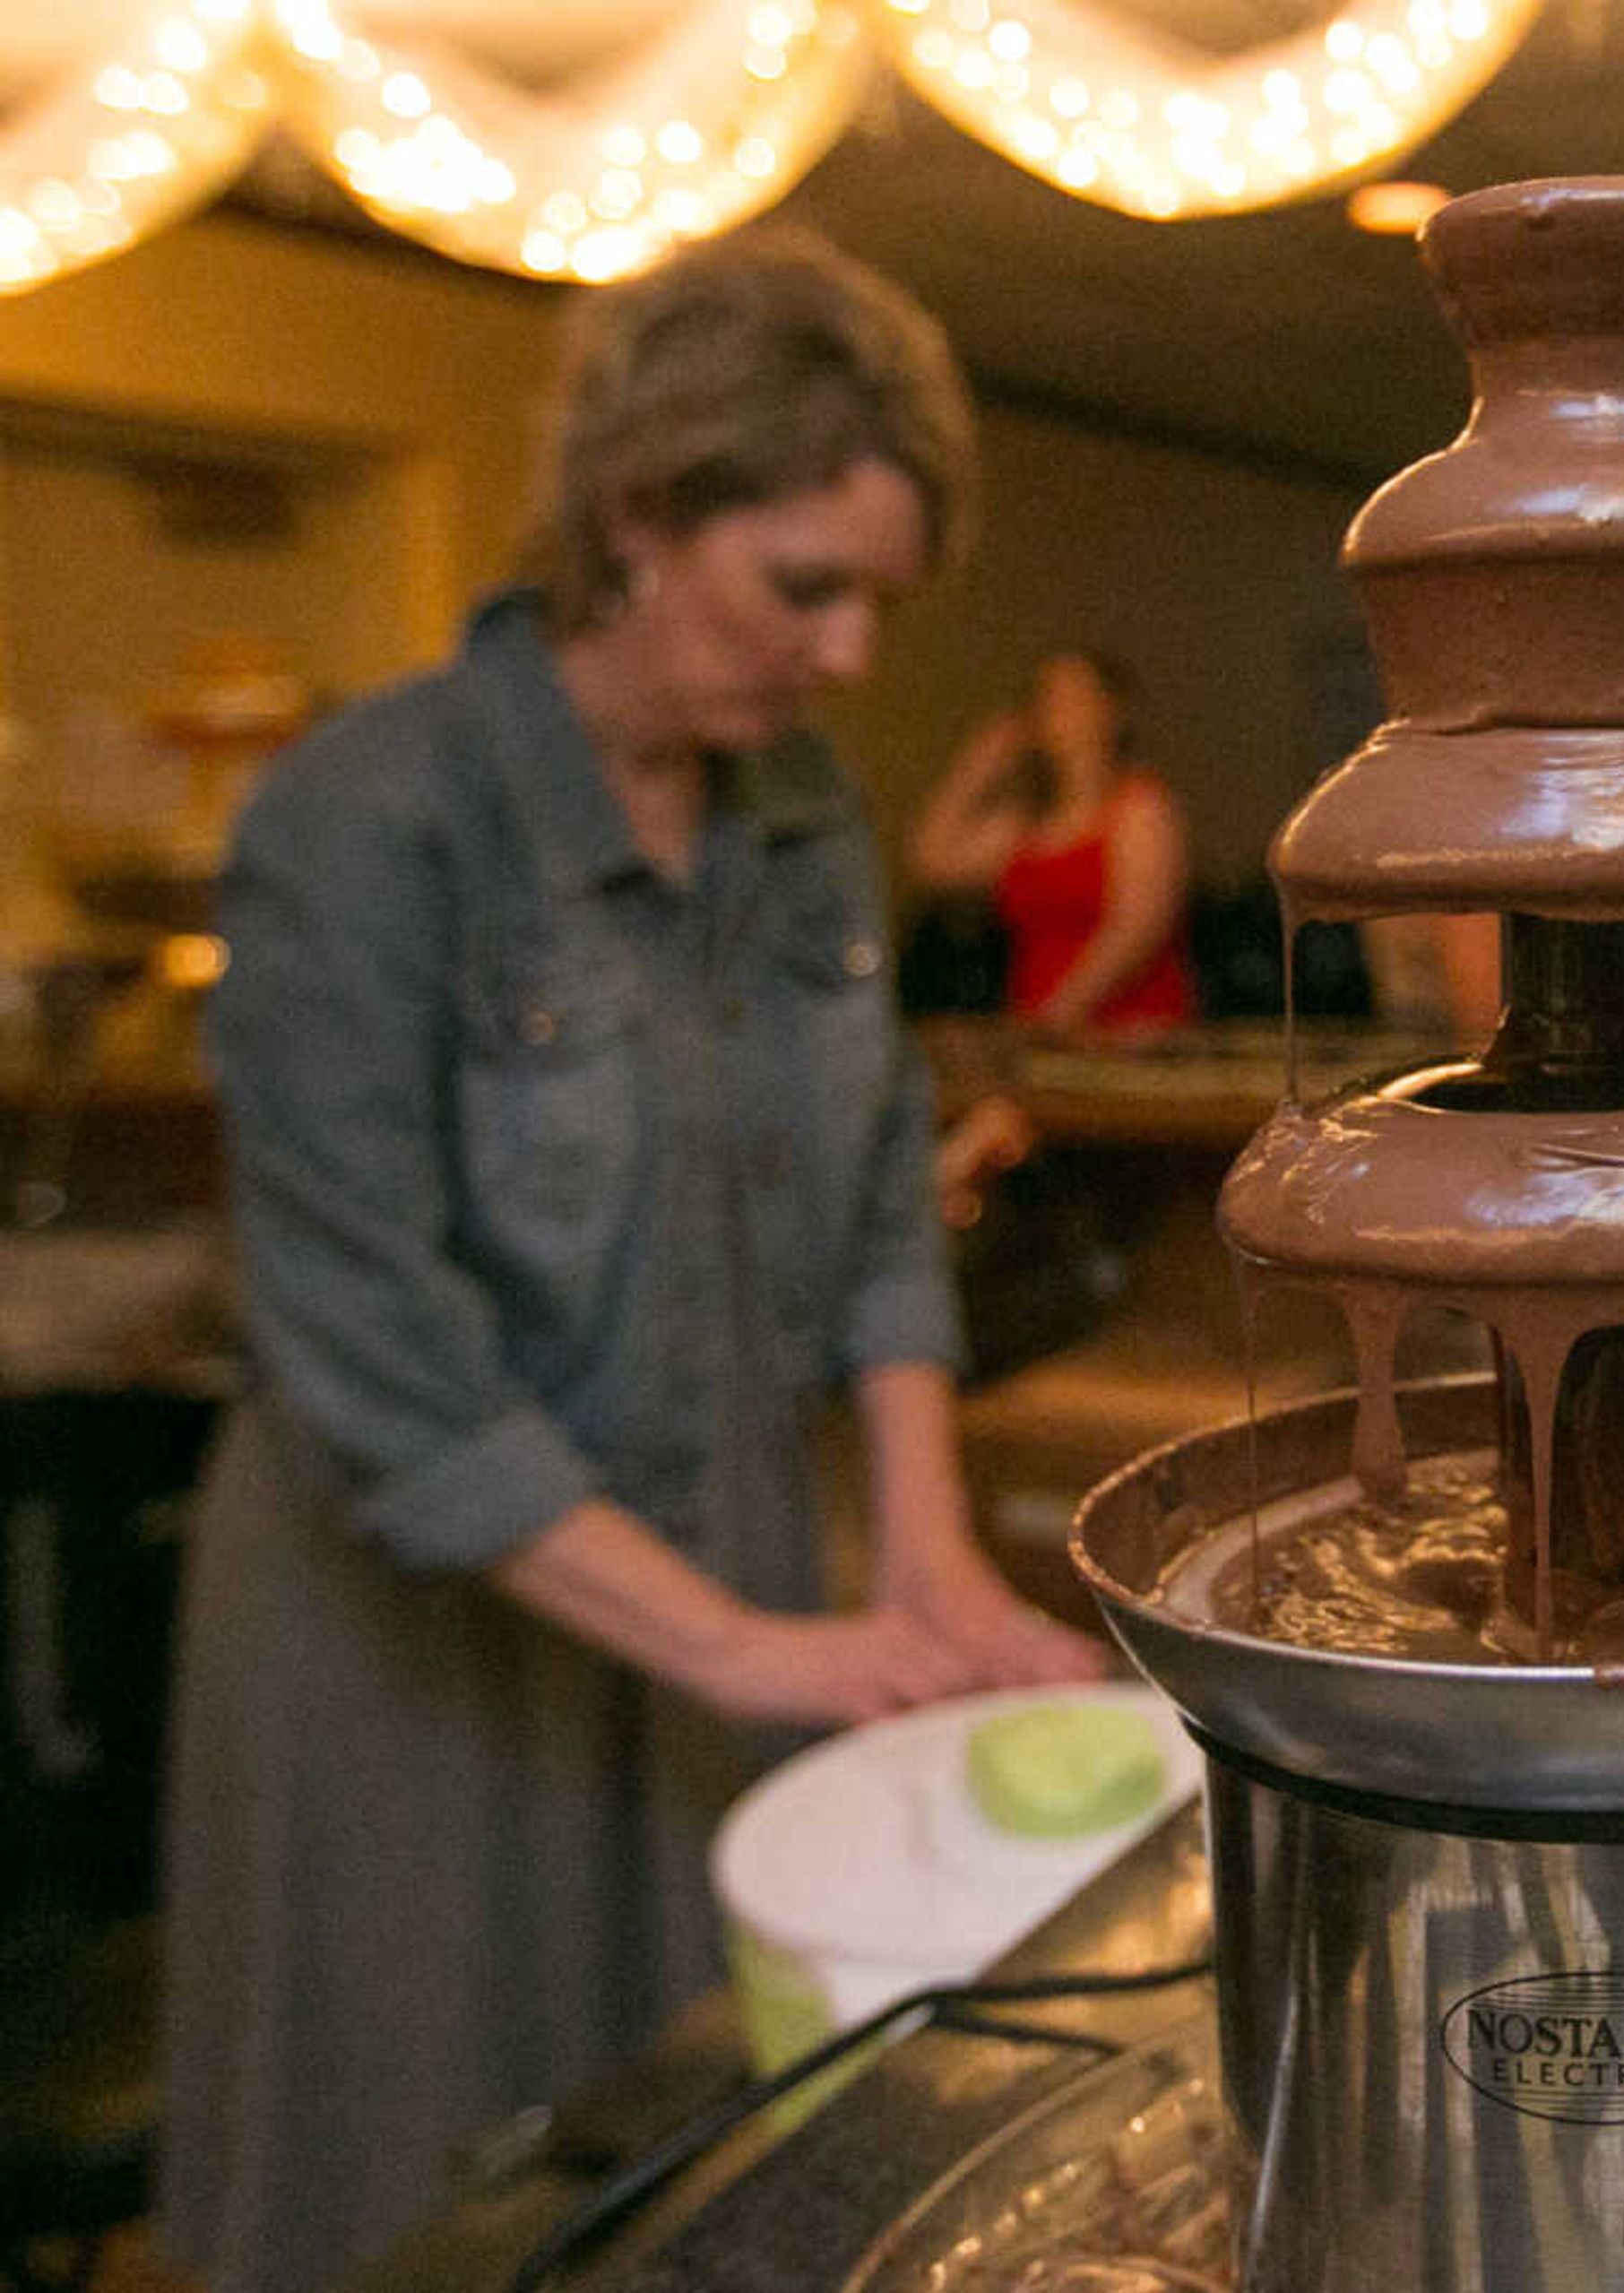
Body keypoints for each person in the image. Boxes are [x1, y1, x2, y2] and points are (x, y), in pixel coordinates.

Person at [160, 232, 1107, 2293]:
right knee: (426, 2191)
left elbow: (872, 1209)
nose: (853, 655)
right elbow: (374, 1347)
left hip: (721, 1554)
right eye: (806, 588)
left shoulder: (798, 815)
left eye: (878, 598)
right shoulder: (366, 818)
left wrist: (926, 1560)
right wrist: (750, 1651)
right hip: (417, 1626)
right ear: (637, 514)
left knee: (695, 2152)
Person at [911, 645, 1196, 1035]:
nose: (1060, 710)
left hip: (1127, 1032)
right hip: (1038, 1028)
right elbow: (932, 861)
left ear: (1113, 710)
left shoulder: (1139, 805)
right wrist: (977, 769)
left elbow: (1138, 927)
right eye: (1048, 696)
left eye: (1076, 696)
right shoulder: (1026, 820)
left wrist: (1062, 1009)